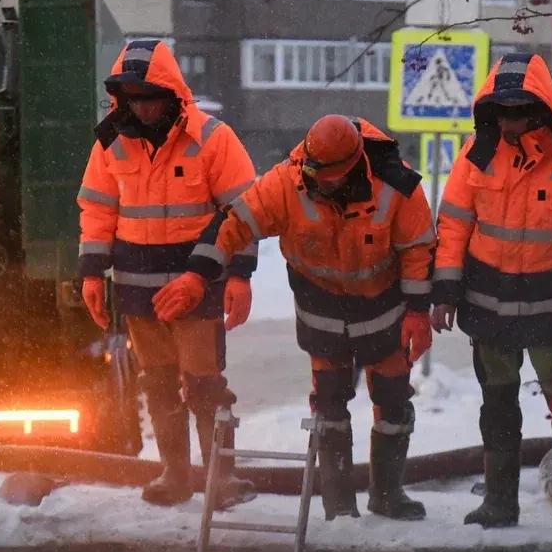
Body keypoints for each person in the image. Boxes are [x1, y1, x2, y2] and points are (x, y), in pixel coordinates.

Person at [152, 115, 435, 521]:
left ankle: (388, 494)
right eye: (319, 174)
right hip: (320, 310)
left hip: (383, 312)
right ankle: (338, 507)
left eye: (334, 177)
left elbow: (419, 250)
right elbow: (232, 225)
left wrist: (418, 312)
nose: (325, 184)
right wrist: (198, 275)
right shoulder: (287, 183)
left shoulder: (396, 187)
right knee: (329, 406)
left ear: (355, 164)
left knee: (392, 401)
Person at [431, 52, 552, 533]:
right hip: (488, 309)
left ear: (541, 108)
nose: (509, 120)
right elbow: (453, 224)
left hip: (551, 312)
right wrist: (446, 290)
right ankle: (500, 502)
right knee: (497, 404)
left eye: (518, 110)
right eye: (501, 110)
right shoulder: (477, 154)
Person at [77, 39, 258, 509]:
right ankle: (175, 473)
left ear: (173, 93)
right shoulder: (111, 142)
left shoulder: (214, 139)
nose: (143, 106)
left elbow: (244, 212)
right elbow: (97, 210)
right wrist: (92, 273)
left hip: (197, 287)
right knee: (157, 382)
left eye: (151, 96)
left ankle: (222, 478)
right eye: (133, 97)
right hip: (137, 290)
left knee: (205, 384)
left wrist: (239, 275)